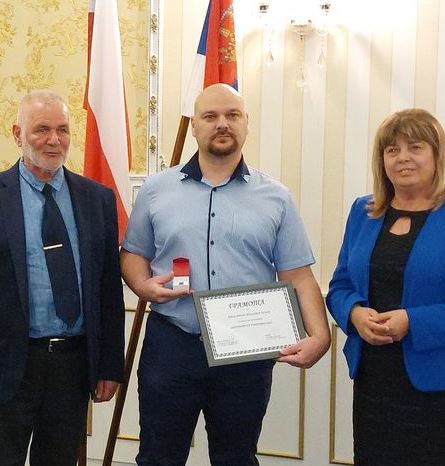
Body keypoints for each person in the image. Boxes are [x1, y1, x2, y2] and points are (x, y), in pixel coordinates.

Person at [121, 83, 331, 466]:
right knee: (157, 457)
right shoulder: (155, 190)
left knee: (236, 458)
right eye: (210, 116)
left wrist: (320, 336)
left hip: (245, 350)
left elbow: (298, 275)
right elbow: (133, 253)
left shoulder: (276, 197)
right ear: (195, 126)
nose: (222, 124)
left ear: (246, 123)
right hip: (172, 344)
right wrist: (142, 285)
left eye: (232, 115)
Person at [0, 90, 125, 466]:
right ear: (18, 134)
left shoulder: (97, 200)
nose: (54, 140)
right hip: (6, 369)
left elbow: (108, 289)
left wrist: (109, 365)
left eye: (62, 130)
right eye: (41, 130)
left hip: (72, 367)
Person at [327, 108, 445, 466]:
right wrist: (354, 313)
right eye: (392, 149)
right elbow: (340, 286)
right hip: (375, 385)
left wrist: (411, 322)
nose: (402, 158)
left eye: (415, 147)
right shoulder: (363, 211)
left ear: (436, 155)